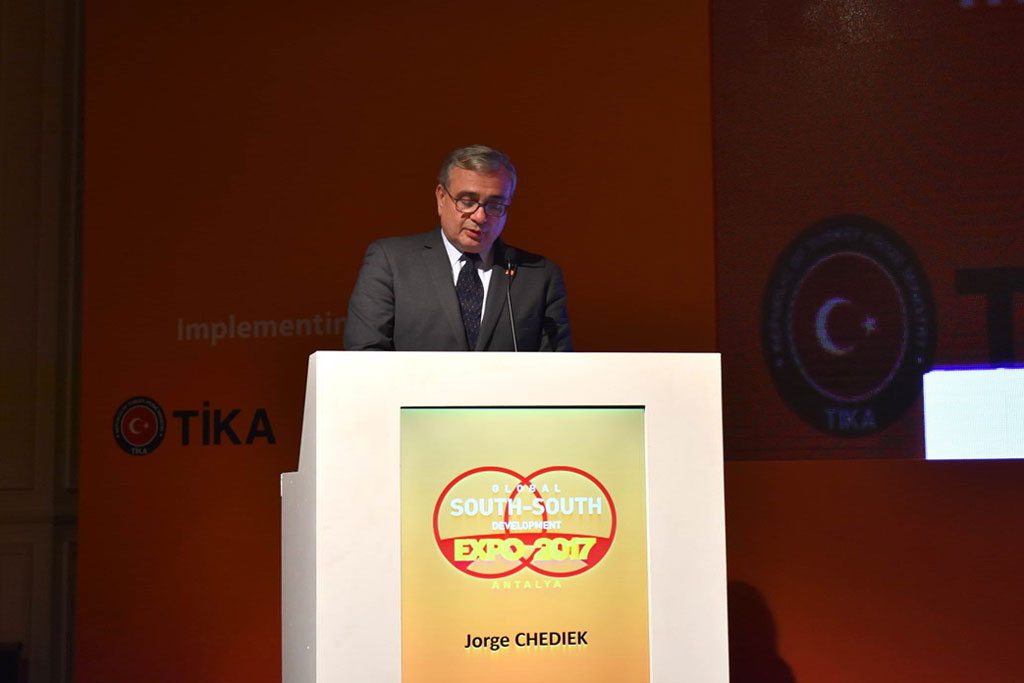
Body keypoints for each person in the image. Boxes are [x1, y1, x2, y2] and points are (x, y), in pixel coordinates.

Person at [343, 144, 573, 351]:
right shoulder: (390, 261)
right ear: (441, 198)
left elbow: (556, 369)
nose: (480, 216)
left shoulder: (539, 276)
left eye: (495, 204)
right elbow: (366, 353)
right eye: (467, 201)